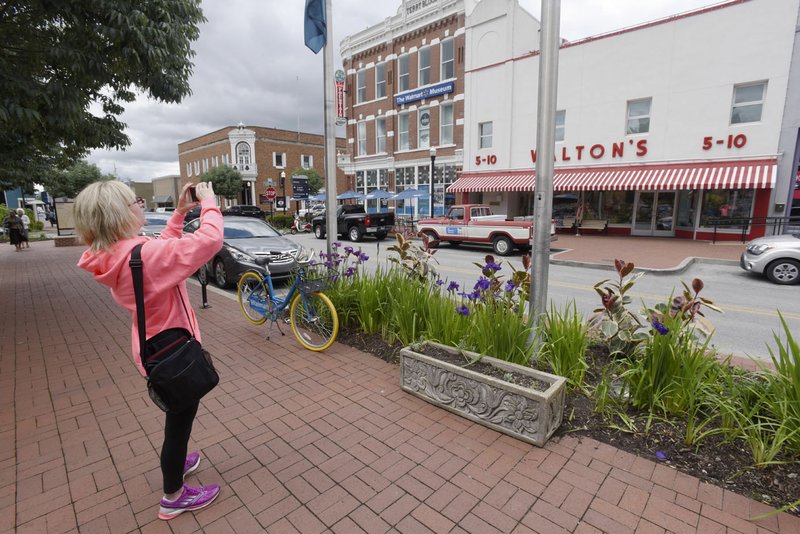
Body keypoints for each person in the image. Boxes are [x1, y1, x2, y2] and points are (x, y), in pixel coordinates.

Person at [73, 180, 224, 521]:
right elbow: (210, 240)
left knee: (179, 417)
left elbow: (158, 254)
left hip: (154, 347)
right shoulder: (140, 255)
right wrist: (209, 203)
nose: (140, 205)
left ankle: (177, 461)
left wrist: (181, 213)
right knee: (179, 422)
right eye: (133, 202)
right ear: (118, 215)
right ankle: (173, 495)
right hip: (174, 354)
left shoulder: (117, 254)